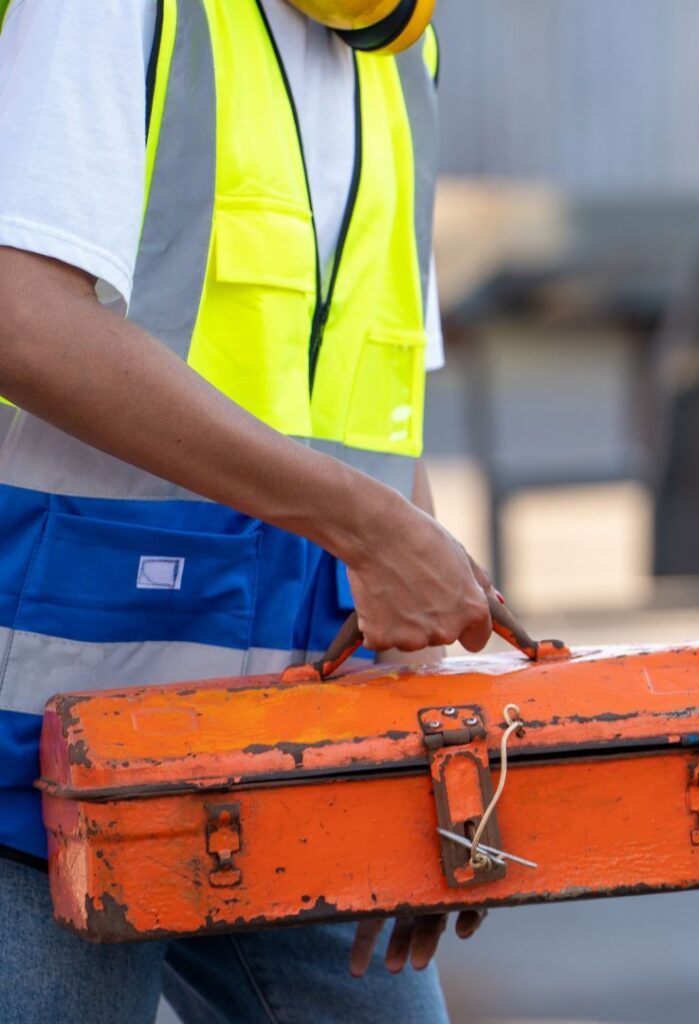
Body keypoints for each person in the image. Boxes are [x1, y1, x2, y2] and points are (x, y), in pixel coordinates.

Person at [0, 1, 492, 1020]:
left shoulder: (399, 53)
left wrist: (414, 758)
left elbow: (384, 426)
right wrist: (364, 526)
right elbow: (21, 317)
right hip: (49, 761)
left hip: (302, 752)